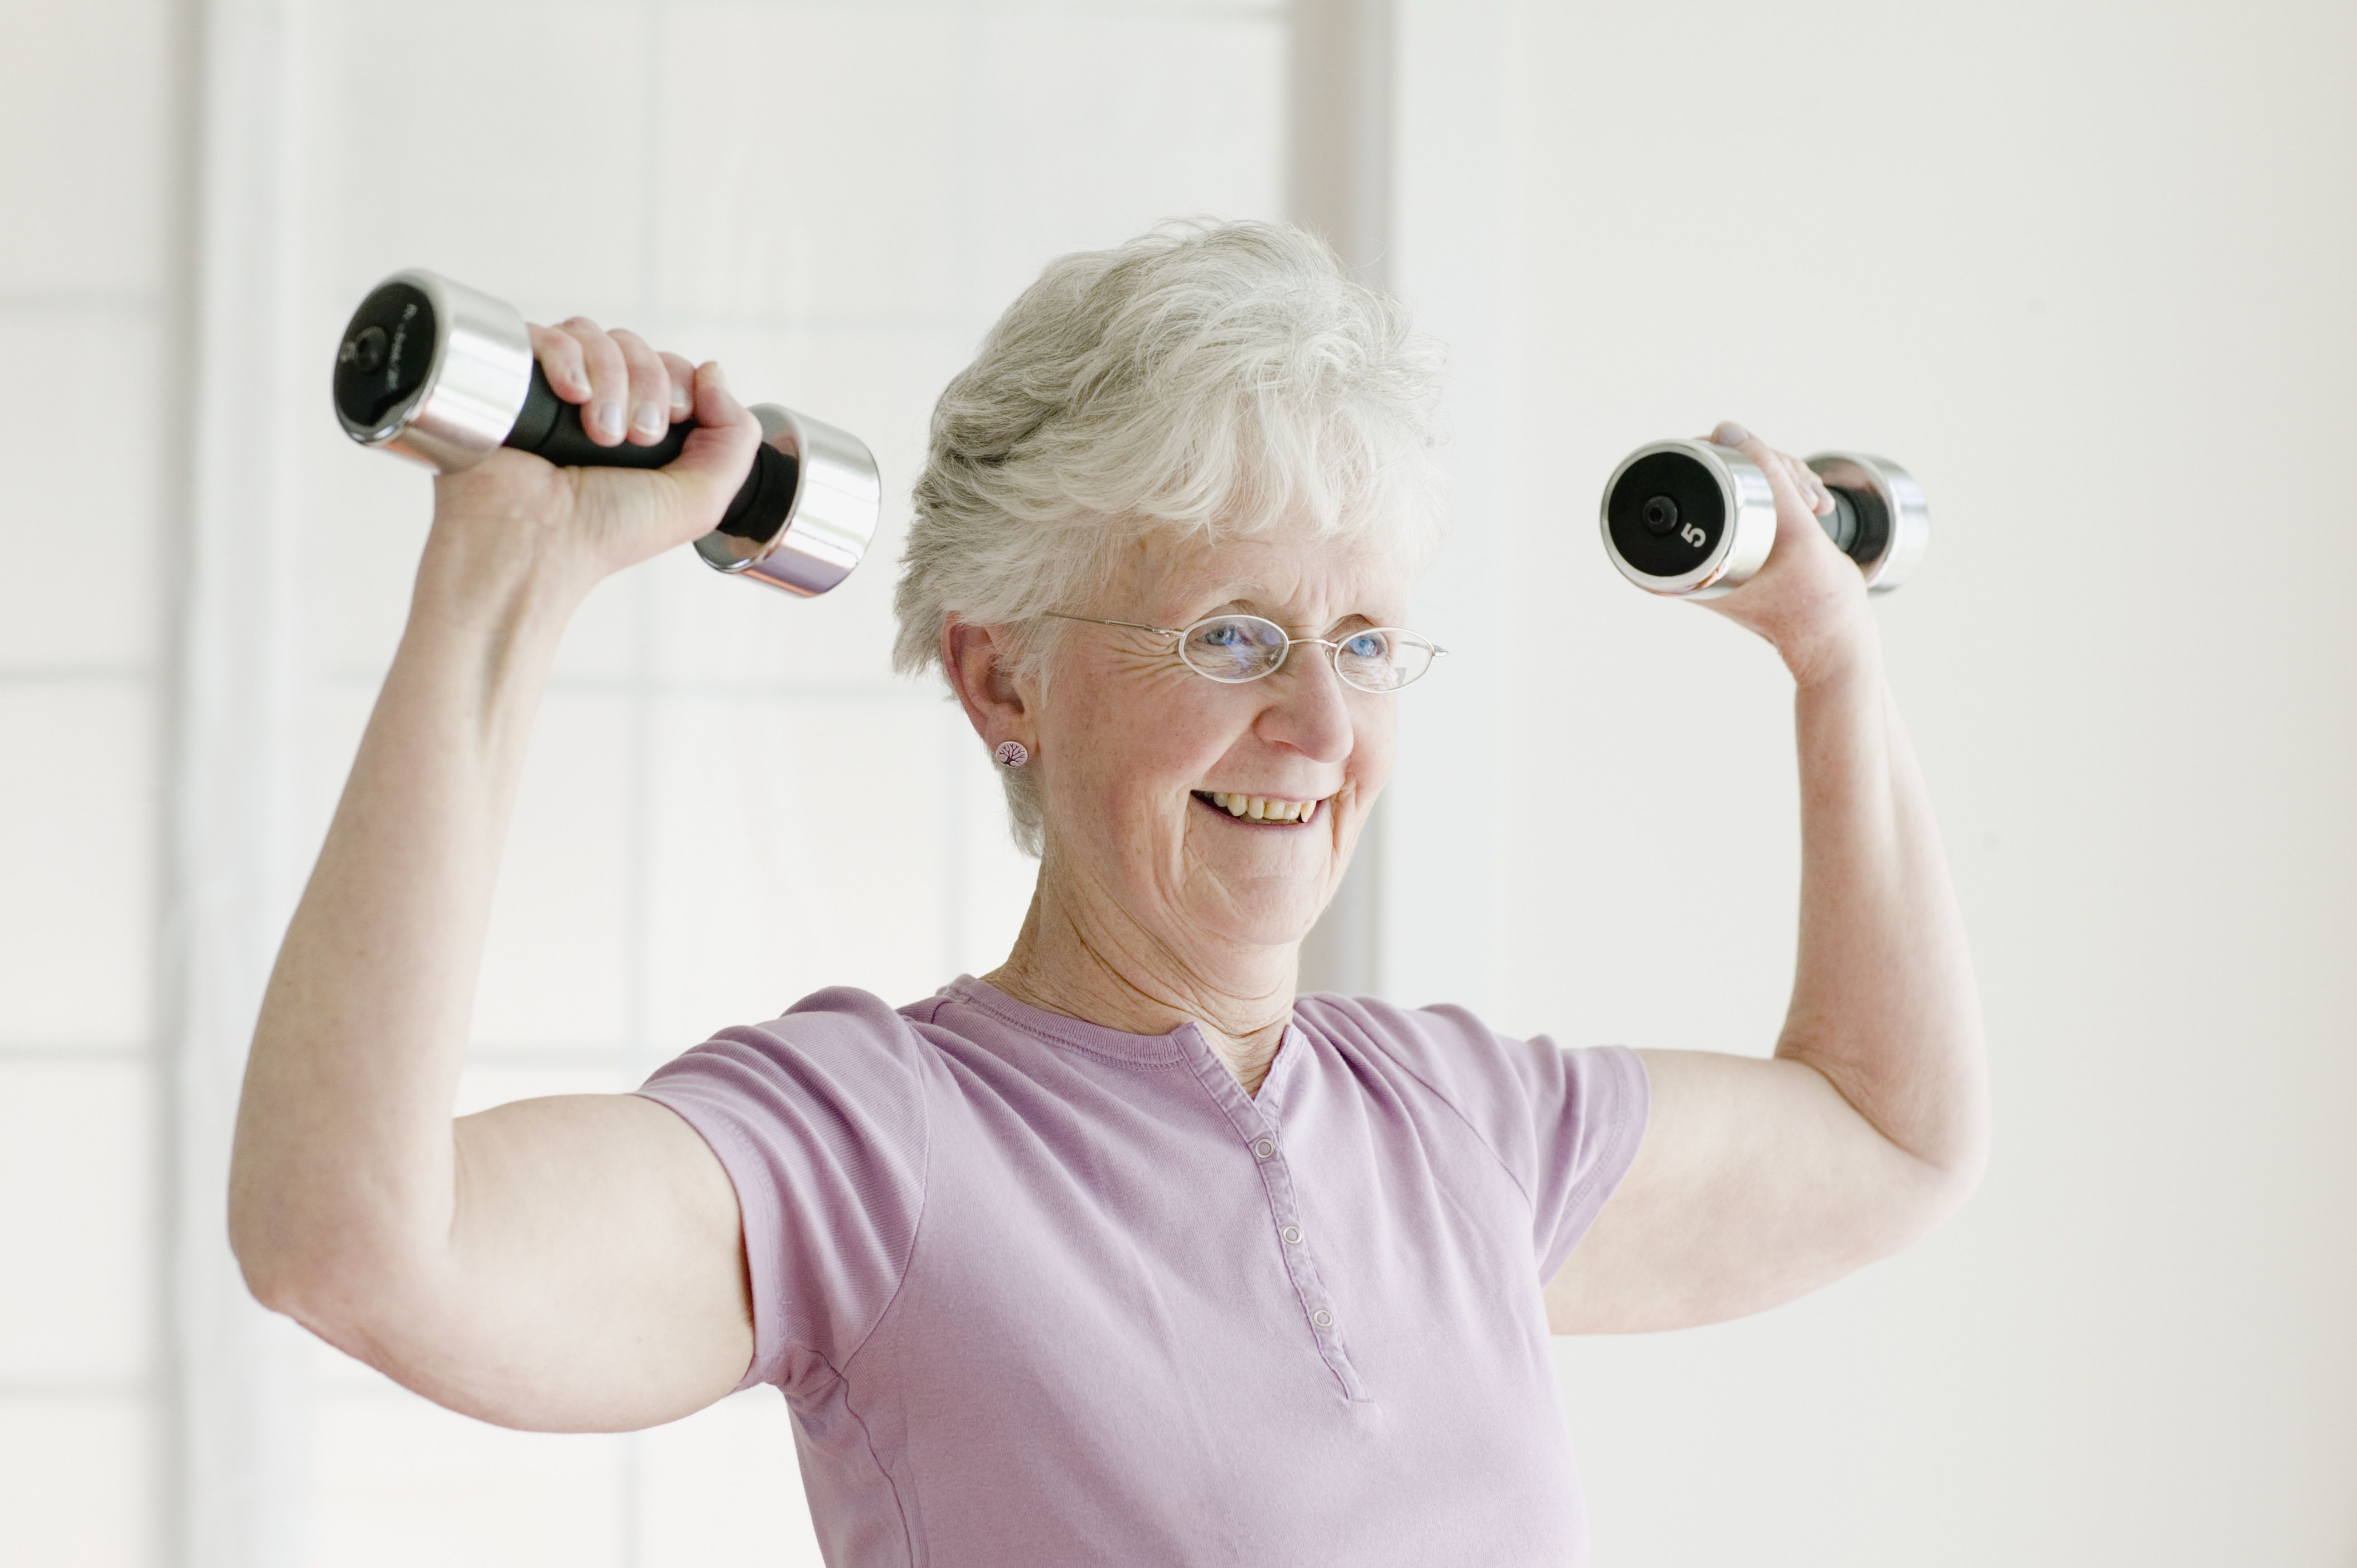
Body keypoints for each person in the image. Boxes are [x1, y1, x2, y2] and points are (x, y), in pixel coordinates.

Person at [229, 221, 1985, 1565]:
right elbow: (358, 1246)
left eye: (1361, 642)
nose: (1314, 724)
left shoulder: (1457, 1126)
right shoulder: (872, 1147)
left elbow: (1885, 1140)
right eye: (1231, 635)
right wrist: (502, 588)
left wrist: (1831, 662)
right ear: (1002, 685)